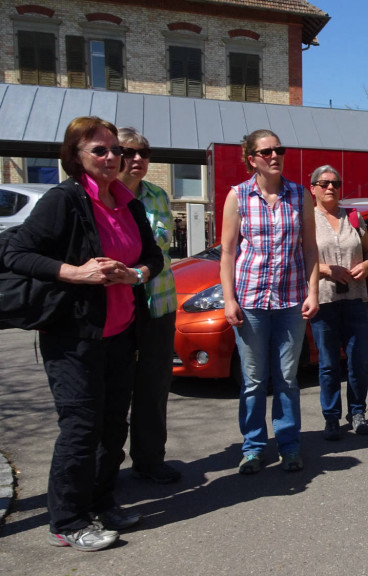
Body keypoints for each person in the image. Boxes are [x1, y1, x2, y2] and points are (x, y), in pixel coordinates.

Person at [3, 116, 163, 550]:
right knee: (81, 428)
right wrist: (74, 272)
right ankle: (67, 519)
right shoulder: (65, 200)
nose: (113, 158)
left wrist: (135, 274)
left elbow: (153, 256)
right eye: (100, 150)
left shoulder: (127, 202)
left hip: (122, 331)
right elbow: (16, 253)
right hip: (73, 336)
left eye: (118, 150)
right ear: (76, 157)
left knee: (113, 427)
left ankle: (101, 501)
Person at [219, 130, 319, 474]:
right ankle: (254, 447)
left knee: (287, 378)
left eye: (279, 150)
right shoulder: (238, 196)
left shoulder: (300, 195)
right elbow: (229, 252)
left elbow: (310, 247)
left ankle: (290, 445)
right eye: (266, 152)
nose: (274, 156)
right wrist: (229, 299)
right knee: (253, 380)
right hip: (251, 302)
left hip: (291, 300)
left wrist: (313, 292)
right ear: (252, 159)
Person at [116, 126, 181, 485]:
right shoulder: (104, 198)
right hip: (117, 306)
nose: (138, 159)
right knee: (115, 387)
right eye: (129, 152)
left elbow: (163, 251)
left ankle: (150, 458)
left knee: (154, 385)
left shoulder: (158, 195)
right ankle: (107, 464)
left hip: (158, 302)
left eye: (144, 152)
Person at [307, 164, 368, 439]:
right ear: (313, 188)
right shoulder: (307, 220)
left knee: (358, 360)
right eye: (323, 183)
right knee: (328, 364)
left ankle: (357, 412)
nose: (330, 188)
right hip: (324, 300)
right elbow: (300, 259)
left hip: (356, 299)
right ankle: (332, 418)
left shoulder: (354, 217)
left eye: (335, 183)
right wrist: (326, 270)